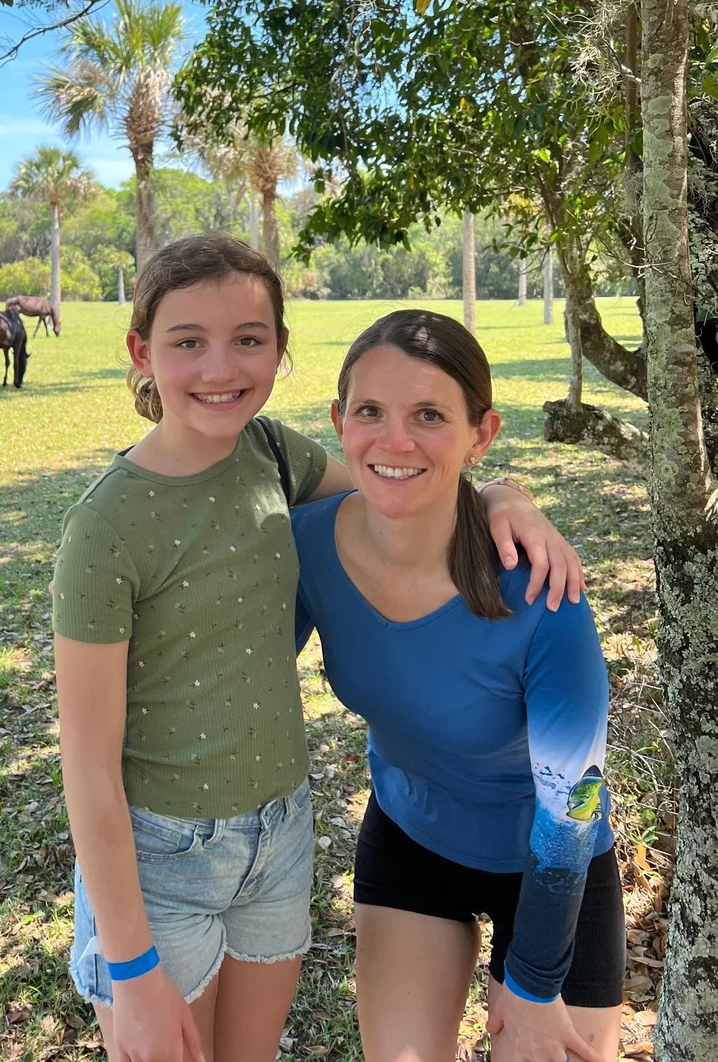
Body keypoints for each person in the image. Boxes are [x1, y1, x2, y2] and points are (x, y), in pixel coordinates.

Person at [52, 238, 585, 1062]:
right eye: (187, 340)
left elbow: (399, 489)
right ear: (141, 351)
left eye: (250, 339)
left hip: (277, 841)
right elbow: (85, 764)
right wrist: (129, 964)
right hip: (165, 853)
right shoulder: (105, 527)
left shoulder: (272, 455)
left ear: (278, 349)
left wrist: (504, 493)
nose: (220, 366)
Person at [292, 309, 625, 1062]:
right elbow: (233, 686)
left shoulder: (542, 591)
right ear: (340, 421)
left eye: (430, 415)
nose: (395, 439)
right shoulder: (305, 548)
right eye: (371, 411)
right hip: (414, 837)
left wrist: (535, 986)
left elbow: (571, 809)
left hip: (555, 872)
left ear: (482, 433)